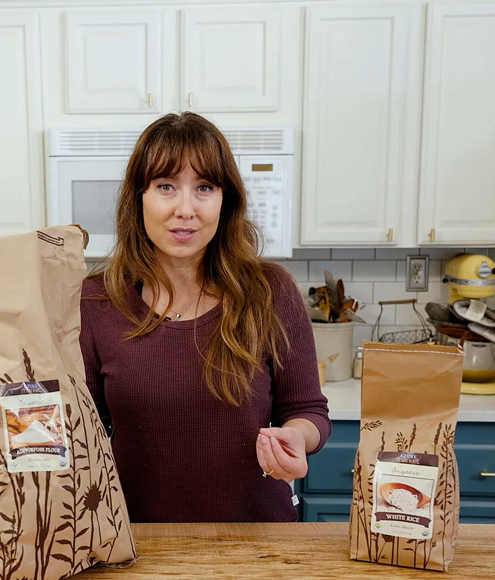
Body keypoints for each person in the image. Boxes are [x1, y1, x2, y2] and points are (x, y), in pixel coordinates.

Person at [80, 112, 330, 522]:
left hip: (258, 540)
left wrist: (297, 438)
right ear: (138, 198)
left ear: (224, 199)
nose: (185, 209)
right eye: (165, 187)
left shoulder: (270, 291)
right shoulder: (96, 302)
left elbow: (307, 409)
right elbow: (79, 430)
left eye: (204, 188)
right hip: (135, 542)